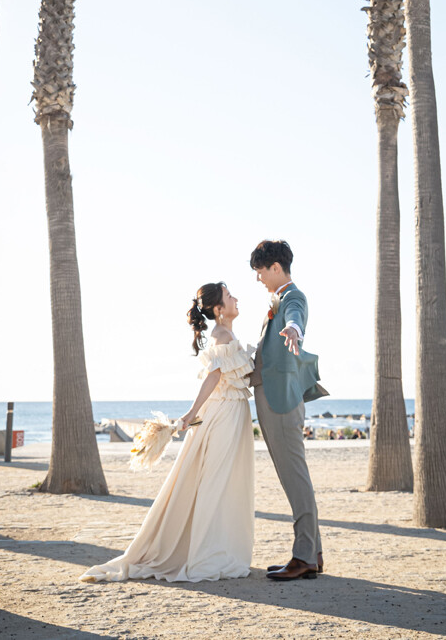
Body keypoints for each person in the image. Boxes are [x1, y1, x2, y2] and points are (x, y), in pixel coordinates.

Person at [79, 282, 254, 584]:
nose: (236, 298)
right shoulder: (221, 335)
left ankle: (217, 548)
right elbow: (213, 377)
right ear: (218, 309)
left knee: (224, 482)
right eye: (229, 296)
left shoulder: (227, 334)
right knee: (216, 482)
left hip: (232, 412)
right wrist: (191, 413)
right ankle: (208, 553)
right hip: (223, 414)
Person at [250, 239, 328, 581]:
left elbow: (296, 316)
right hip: (274, 398)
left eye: (260, 271)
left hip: (280, 400)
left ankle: (303, 556)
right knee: (295, 477)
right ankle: (314, 554)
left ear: (276, 267)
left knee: (295, 478)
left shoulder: (293, 297)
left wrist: (294, 329)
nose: (258, 278)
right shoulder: (278, 299)